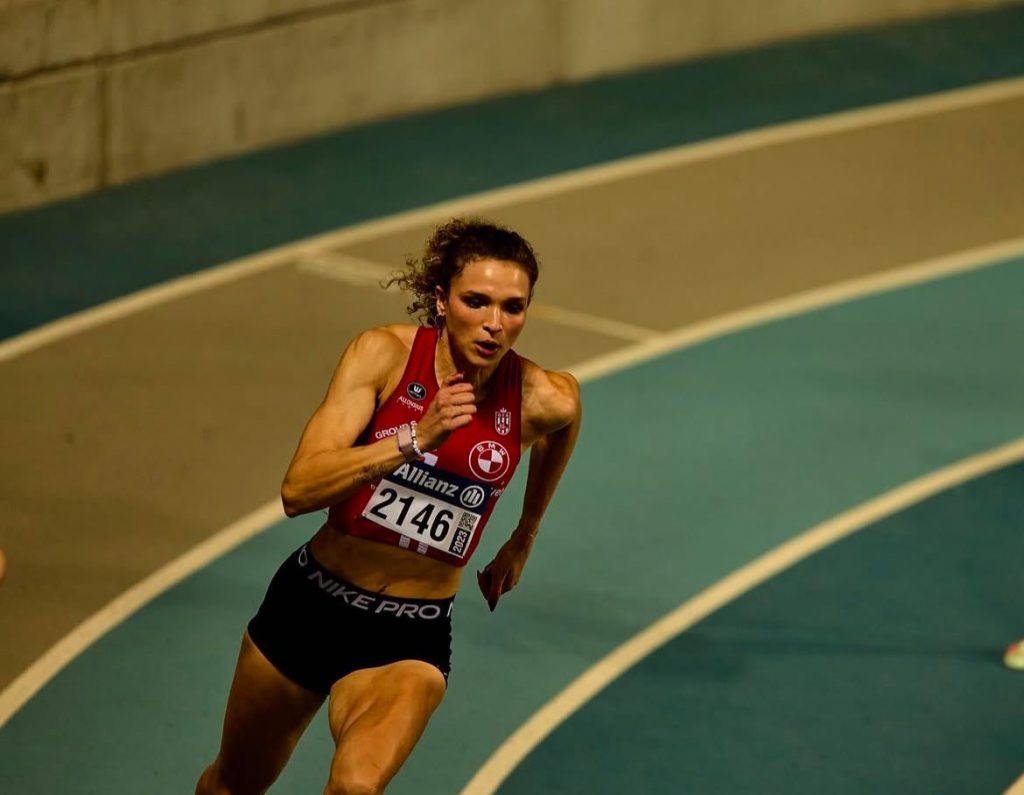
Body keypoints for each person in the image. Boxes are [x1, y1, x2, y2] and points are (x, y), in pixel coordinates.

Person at [196, 217, 582, 794]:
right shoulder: (383, 357)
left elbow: (565, 423)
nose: (495, 324)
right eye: (476, 301)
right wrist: (412, 440)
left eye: (513, 307)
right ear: (441, 299)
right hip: (310, 604)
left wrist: (523, 536)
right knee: (233, 785)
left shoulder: (539, 396)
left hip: (409, 635)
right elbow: (298, 490)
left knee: (357, 786)